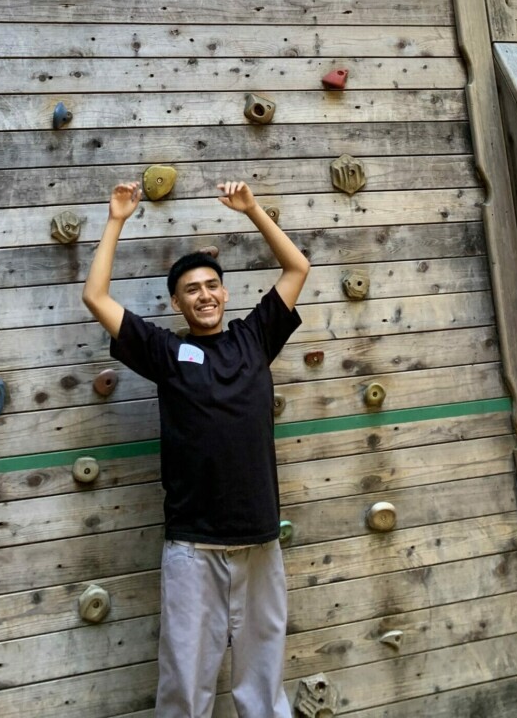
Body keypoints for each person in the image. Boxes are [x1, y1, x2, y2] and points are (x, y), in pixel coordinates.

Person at [82, 179, 310, 718]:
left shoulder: (253, 339)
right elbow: (95, 297)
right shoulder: (166, 351)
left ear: (225, 294)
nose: (204, 294)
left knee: (262, 686)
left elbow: (297, 268)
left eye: (212, 285)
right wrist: (116, 219)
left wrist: (253, 210)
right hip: (192, 546)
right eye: (191, 289)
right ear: (177, 302)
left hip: (259, 541)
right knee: (185, 686)